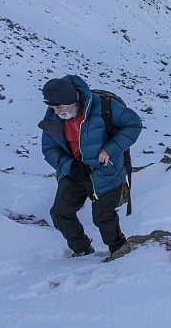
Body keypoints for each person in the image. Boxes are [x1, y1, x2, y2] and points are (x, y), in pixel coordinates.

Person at [37, 74, 142, 256]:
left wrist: (109, 149)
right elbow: (48, 148)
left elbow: (133, 124)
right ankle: (82, 250)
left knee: (103, 217)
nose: (56, 111)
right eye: (52, 107)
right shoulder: (53, 118)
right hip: (74, 172)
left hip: (105, 170)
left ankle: (118, 251)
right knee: (60, 214)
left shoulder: (103, 106)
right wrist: (69, 167)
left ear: (72, 99)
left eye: (59, 106)